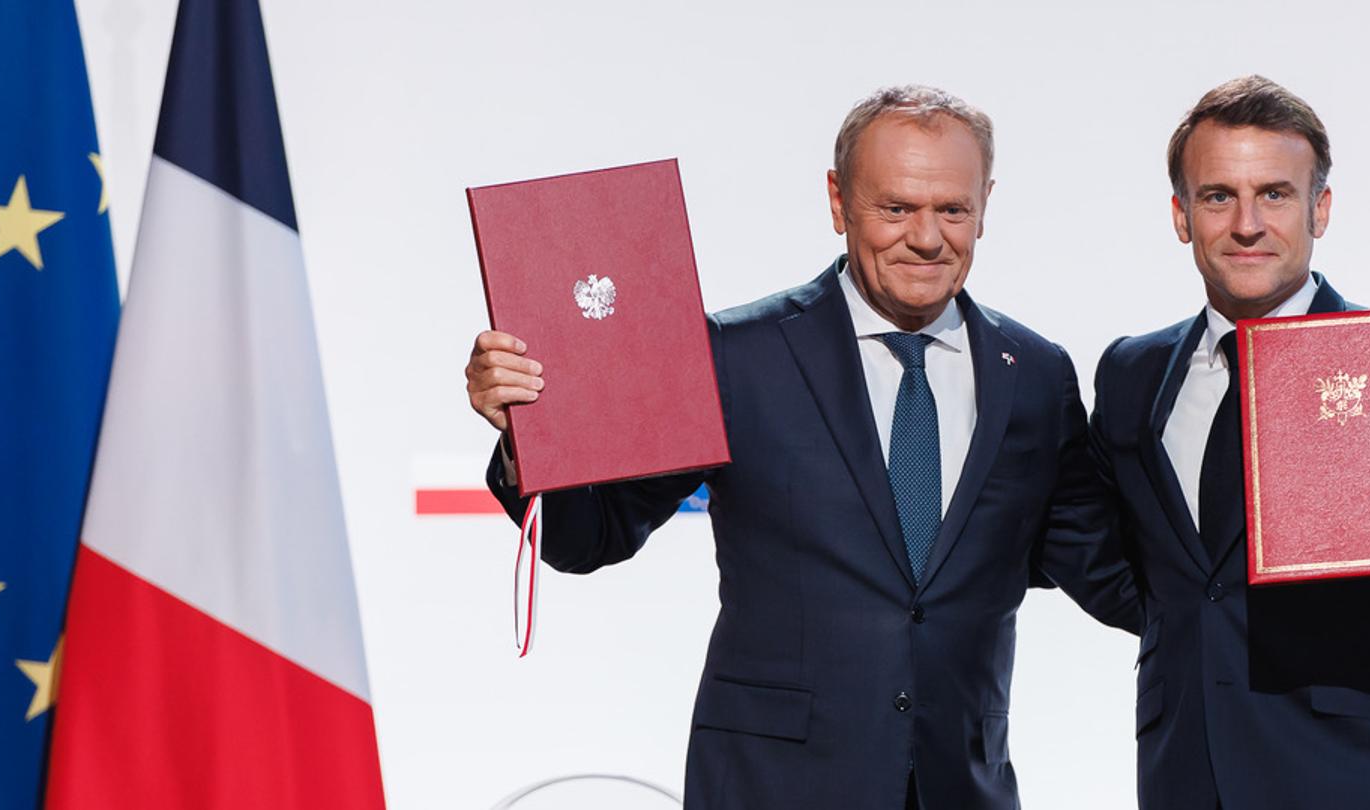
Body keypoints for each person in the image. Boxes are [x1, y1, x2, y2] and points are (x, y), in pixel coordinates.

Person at [464, 85, 1142, 810]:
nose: (926, 237)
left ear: (985, 206)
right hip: (771, 787)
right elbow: (589, 536)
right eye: (895, 208)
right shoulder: (733, 356)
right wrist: (526, 434)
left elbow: (1110, 574)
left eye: (952, 209)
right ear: (838, 201)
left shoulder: (1034, 375)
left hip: (960, 789)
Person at [1088, 75, 1370, 809]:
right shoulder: (1131, 373)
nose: (1247, 224)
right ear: (1180, 214)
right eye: (1218, 196)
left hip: (1369, 782)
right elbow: (1133, 566)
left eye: (1275, 194)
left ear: (1319, 209)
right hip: (1188, 777)